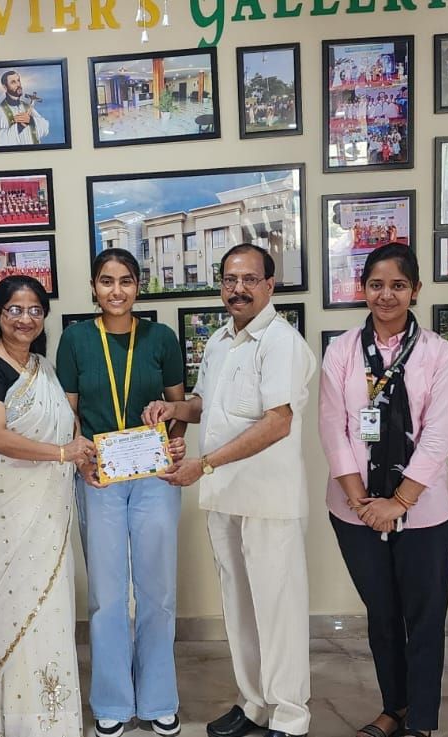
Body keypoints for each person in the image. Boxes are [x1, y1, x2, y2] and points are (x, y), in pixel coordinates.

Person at [143, 244, 317, 737]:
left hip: (268, 500)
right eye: (229, 280)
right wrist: (174, 409)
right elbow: (207, 405)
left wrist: (204, 464)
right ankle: (254, 703)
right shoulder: (220, 341)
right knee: (239, 606)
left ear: (270, 285)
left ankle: (290, 716)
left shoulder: (280, 342)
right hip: (224, 497)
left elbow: (277, 422)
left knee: (277, 610)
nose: (238, 289)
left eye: (249, 279)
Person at [318, 244, 448, 737]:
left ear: (415, 290)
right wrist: (362, 502)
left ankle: (421, 720)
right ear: (363, 290)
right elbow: (333, 427)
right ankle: (393, 708)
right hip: (354, 511)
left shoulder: (437, 352)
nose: (386, 295)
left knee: (424, 618)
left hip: (423, 512)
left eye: (398, 285)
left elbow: (440, 432)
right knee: (382, 615)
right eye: (376, 285)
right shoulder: (341, 351)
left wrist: (398, 502)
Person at [55, 249, 188, 737]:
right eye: (107, 281)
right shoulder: (75, 339)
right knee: (107, 594)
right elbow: (69, 412)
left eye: (126, 281)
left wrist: (176, 442)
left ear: (138, 286)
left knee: (158, 589)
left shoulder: (161, 337)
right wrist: (80, 458)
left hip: (155, 476)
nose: (117, 291)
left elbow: (179, 408)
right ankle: (111, 700)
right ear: (94, 286)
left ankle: (159, 699)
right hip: (100, 476)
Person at [0, 276, 93, 737]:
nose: (25, 318)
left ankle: (53, 719)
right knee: (14, 603)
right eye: (14, 309)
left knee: (50, 603)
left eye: (35, 310)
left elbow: (67, 429)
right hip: (7, 507)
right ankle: (18, 720)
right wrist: (63, 454)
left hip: (48, 508)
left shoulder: (42, 368)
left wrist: (82, 457)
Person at [0, 70, 50, 146]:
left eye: (18, 80)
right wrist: (19, 127)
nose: (18, 84)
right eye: (13, 82)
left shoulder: (27, 107)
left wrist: (31, 120)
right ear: (5, 87)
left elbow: (45, 128)